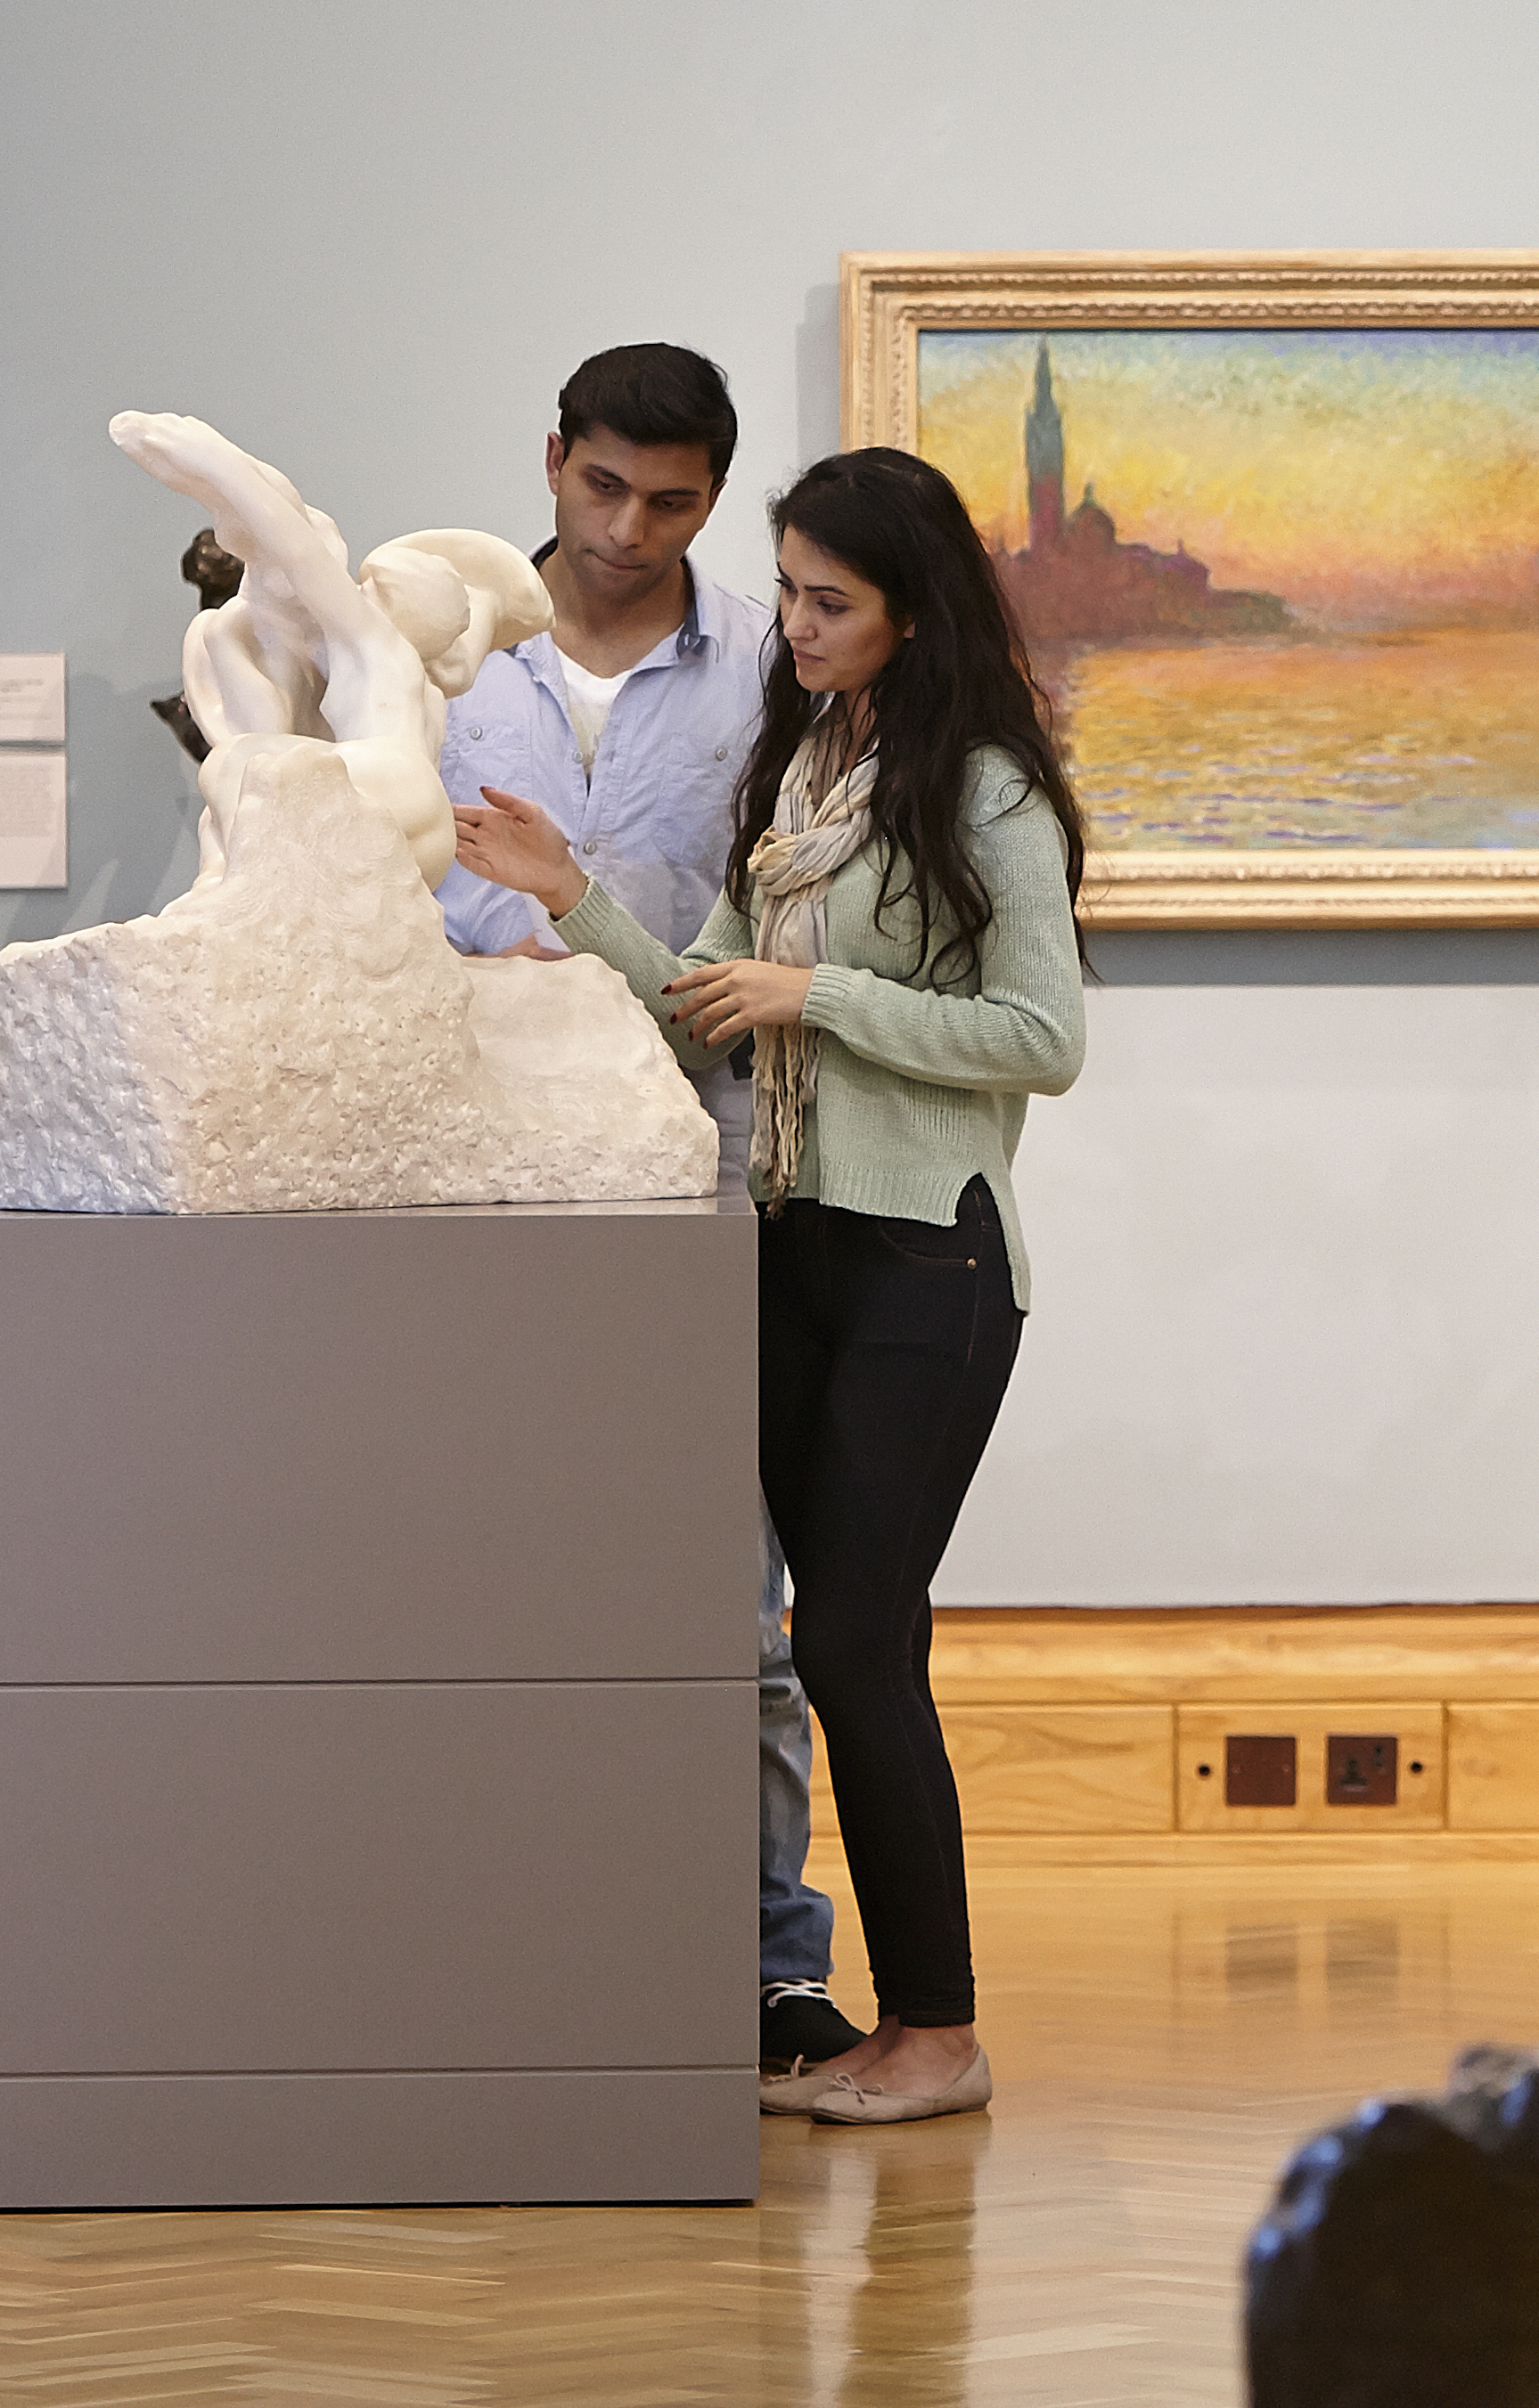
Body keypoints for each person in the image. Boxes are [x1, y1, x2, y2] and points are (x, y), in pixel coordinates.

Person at [454, 442, 1089, 2128]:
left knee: (859, 1644)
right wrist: (571, 899)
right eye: (790, 591)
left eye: (828, 601)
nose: (789, 625)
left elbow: (1045, 1042)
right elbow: (709, 1000)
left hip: (926, 1256)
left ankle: (937, 2034)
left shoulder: (992, 791)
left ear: (910, 610)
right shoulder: (807, 762)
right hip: (788, 1239)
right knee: (835, 1652)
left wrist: (821, 998)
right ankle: (902, 2028)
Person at [422, 345, 858, 2085]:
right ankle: (506, 1930)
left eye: (669, 501)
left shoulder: (774, 666)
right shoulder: (437, 653)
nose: (625, 527)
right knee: (479, 1581)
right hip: (473, 1171)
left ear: (712, 495)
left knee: (733, 1605)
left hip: (717, 1173)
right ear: (550, 461)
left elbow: (821, 910)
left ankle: (767, 1966)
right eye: (601, 487)